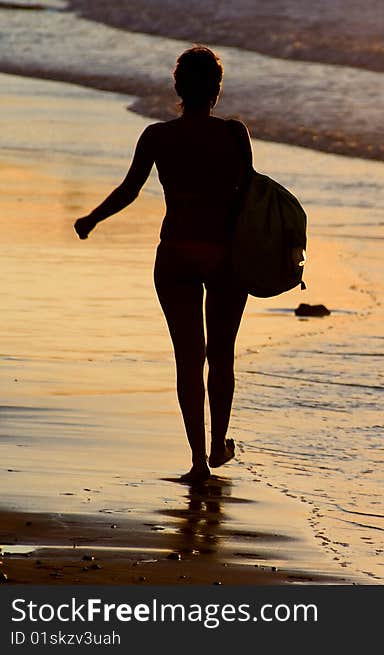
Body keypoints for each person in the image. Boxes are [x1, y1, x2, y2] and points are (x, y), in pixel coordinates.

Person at [74, 46, 251, 483]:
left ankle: (196, 460)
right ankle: (218, 444)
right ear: (217, 90)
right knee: (221, 354)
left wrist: (91, 218)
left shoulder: (157, 136)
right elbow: (250, 198)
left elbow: (129, 190)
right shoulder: (234, 134)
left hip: (175, 253)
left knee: (188, 360)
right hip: (225, 254)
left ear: (177, 88)